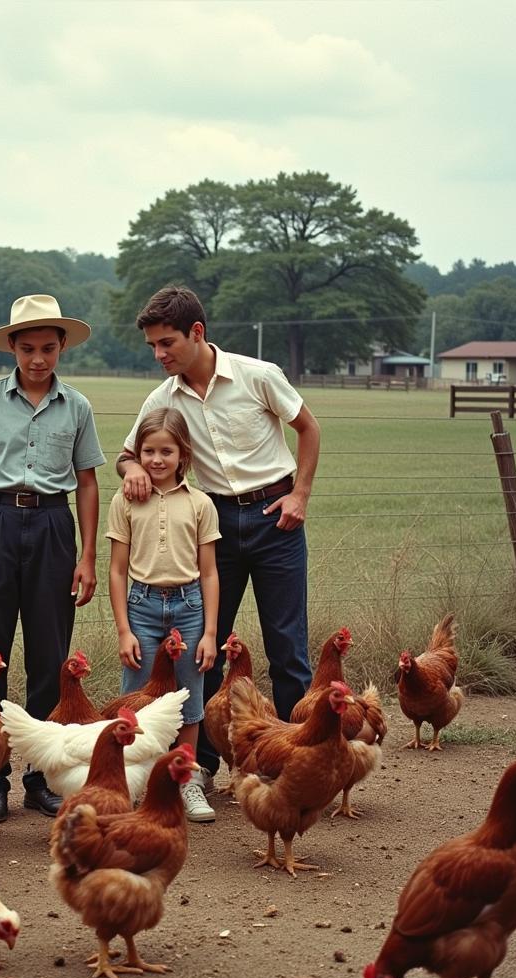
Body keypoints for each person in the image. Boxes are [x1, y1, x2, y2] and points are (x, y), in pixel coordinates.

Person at [117, 284, 321, 790]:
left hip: (277, 517)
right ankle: (201, 763)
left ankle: (301, 761)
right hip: (213, 526)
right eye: (153, 347)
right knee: (201, 650)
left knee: (287, 647)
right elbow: (130, 453)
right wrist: (129, 472)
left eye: (167, 343)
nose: (159, 354)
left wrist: (300, 495)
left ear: (198, 333)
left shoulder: (257, 376)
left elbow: (309, 429)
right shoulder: (163, 397)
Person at [0, 294, 105, 822]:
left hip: (54, 527)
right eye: (27, 348)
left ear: (61, 349)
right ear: (11, 346)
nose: (38, 359)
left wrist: (89, 556)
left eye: (48, 349)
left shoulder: (76, 406)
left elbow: (88, 482)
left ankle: (41, 776)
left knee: (51, 658)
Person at [106, 407, 220, 822]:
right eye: (148, 451)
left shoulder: (201, 504)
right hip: (142, 605)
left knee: (189, 699)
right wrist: (123, 629)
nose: (156, 460)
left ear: (182, 455)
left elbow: (209, 572)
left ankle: (186, 779)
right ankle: (132, 783)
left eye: (166, 452)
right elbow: (117, 570)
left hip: (189, 606)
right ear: (138, 454)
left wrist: (209, 632)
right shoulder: (125, 500)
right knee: (138, 697)